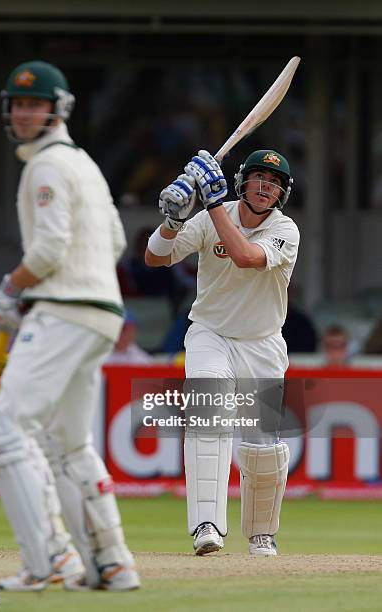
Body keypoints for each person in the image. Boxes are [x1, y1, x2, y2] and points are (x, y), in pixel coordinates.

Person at [0, 60, 139, 591]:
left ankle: (50, 560)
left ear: (56, 109)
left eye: (34, 104)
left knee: (6, 427)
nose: (24, 113)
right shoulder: (84, 163)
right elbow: (112, 241)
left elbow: (48, 247)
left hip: (64, 309)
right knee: (68, 440)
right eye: (18, 104)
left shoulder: (44, 166)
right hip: (98, 313)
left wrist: (11, 288)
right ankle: (111, 562)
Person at [145, 149, 299, 557]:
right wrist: (172, 221)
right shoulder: (211, 216)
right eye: (258, 179)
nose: (265, 188)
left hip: (262, 343)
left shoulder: (286, 231)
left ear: (282, 192)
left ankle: (261, 533)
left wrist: (211, 204)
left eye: (274, 183)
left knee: (264, 448)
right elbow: (154, 257)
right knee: (207, 419)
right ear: (242, 181)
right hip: (209, 333)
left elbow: (247, 257)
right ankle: (206, 525)